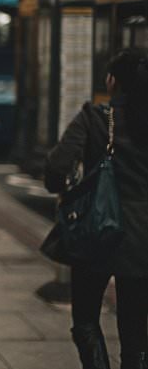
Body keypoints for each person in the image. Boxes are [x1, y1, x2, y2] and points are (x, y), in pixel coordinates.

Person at [45, 48, 148, 369]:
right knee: (136, 326)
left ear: (113, 81)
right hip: (143, 238)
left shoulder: (94, 117)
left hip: (97, 230)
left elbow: (58, 166)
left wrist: (65, 189)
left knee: (87, 319)